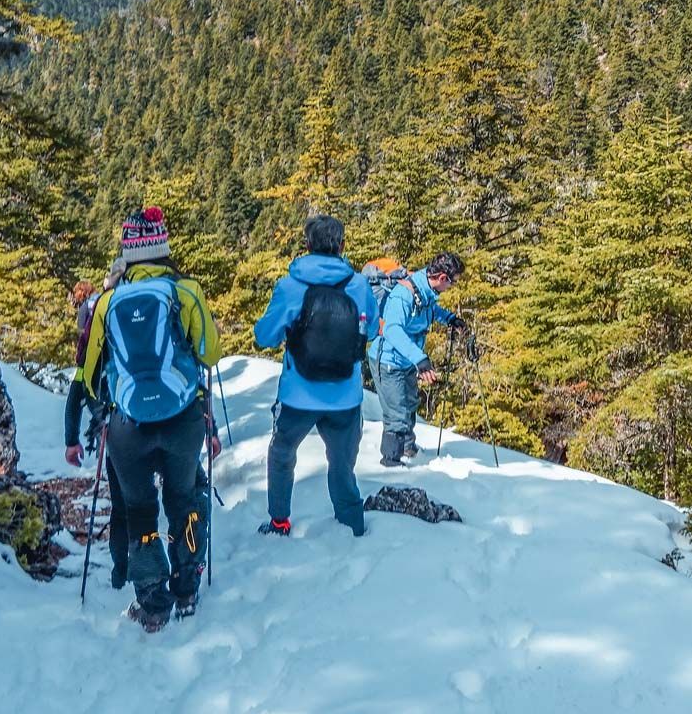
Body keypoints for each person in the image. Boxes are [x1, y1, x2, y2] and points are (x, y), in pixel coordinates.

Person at [73, 207, 223, 633]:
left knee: (140, 510)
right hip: (182, 418)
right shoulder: (186, 291)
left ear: (128, 250)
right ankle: (188, 587)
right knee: (185, 497)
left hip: (128, 424)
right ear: (163, 245)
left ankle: (153, 603)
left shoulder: (107, 301)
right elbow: (210, 353)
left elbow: (88, 374)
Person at [251, 215, 378, 538]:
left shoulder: (290, 286)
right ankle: (351, 522)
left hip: (297, 394)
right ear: (342, 246)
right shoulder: (359, 285)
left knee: (282, 454)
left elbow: (265, 336)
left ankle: (280, 521)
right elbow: (373, 330)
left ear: (307, 245)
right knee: (342, 463)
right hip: (346, 395)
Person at [65, 261, 132, 587]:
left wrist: (71, 438)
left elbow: (79, 384)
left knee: (121, 503)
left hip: (112, 420)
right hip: (161, 418)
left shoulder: (98, 316)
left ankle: (122, 572)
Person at [369, 251, 465, 467]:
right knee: (397, 413)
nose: (452, 286)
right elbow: (392, 330)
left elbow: (429, 310)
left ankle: (408, 448)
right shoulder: (404, 294)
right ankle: (391, 462)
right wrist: (420, 359)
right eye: (453, 282)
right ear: (442, 278)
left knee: (410, 403)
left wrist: (449, 318)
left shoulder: (425, 288)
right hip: (387, 361)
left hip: (405, 361)